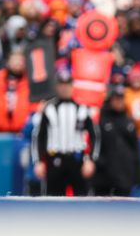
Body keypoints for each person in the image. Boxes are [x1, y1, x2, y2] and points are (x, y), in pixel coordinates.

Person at [33, 67, 100, 197]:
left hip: (77, 160)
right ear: (57, 86)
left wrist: (91, 160)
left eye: (67, 84)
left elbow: (95, 136)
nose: (64, 88)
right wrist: (39, 161)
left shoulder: (83, 109)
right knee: (52, 201)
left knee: (81, 201)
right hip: (55, 160)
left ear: (72, 86)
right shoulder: (49, 109)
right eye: (61, 84)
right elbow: (39, 137)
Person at [94, 85, 140, 196]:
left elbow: (135, 149)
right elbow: (96, 145)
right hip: (104, 176)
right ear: (110, 100)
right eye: (116, 99)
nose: (119, 102)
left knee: (123, 210)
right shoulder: (101, 120)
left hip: (124, 175)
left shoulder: (129, 122)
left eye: (121, 99)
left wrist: (136, 173)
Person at [0, 50, 33, 133]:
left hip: (22, 130)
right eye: (15, 60)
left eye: (21, 60)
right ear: (8, 62)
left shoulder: (30, 81)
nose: (18, 63)